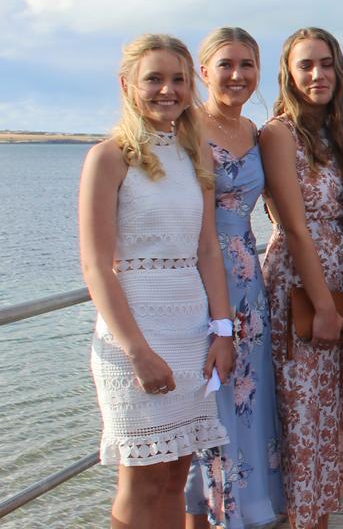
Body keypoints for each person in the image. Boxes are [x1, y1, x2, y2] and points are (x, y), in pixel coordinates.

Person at [79, 33, 233, 528]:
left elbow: (208, 248)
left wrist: (223, 330)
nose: (167, 90)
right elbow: (96, 266)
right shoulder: (109, 157)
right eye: (154, 79)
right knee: (141, 479)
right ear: (127, 85)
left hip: (191, 330)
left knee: (176, 474)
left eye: (178, 80)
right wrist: (138, 351)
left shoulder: (195, 155)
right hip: (137, 331)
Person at [260, 27, 343, 529]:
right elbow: (294, 226)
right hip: (300, 286)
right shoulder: (278, 133)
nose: (317, 74)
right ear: (288, 74)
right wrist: (325, 306)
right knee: (302, 419)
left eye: (325, 64)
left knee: (332, 420)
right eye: (305, 65)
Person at [184, 27, 287, 529]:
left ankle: (243, 517)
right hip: (204, 280)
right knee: (209, 413)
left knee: (246, 407)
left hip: (251, 280)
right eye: (226, 64)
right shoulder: (189, 128)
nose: (238, 75)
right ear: (204, 72)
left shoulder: (256, 132)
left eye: (248, 65)